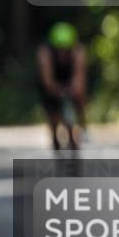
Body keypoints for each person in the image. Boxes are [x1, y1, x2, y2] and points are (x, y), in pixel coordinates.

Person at [36, 22, 88, 151]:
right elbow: (47, 79)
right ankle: (54, 133)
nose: (63, 52)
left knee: (80, 98)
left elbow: (79, 76)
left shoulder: (78, 51)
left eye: (66, 49)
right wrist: (54, 89)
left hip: (69, 76)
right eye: (59, 49)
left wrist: (75, 89)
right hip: (53, 77)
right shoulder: (45, 53)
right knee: (51, 107)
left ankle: (81, 126)